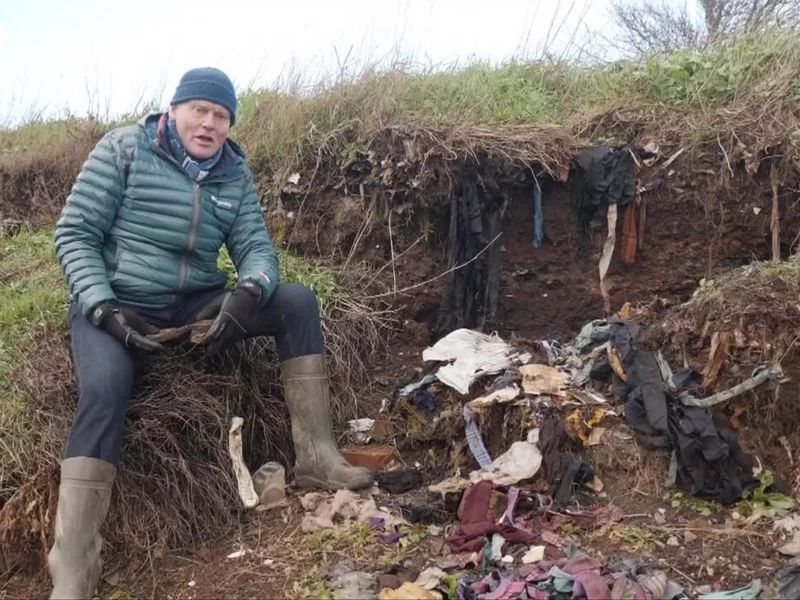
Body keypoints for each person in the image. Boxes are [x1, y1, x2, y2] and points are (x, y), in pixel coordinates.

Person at [49, 67, 373, 599]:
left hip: (191, 303)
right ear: (173, 110)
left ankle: (317, 459)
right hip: (118, 305)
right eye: (198, 109)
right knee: (105, 390)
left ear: (229, 125)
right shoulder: (123, 150)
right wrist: (104, 309)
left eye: (220, 115)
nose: (208, 123)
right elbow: (75, 234)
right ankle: (74, 560)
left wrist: (248, 292)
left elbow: (257, 250)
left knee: (295, 301)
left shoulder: (233, 174)